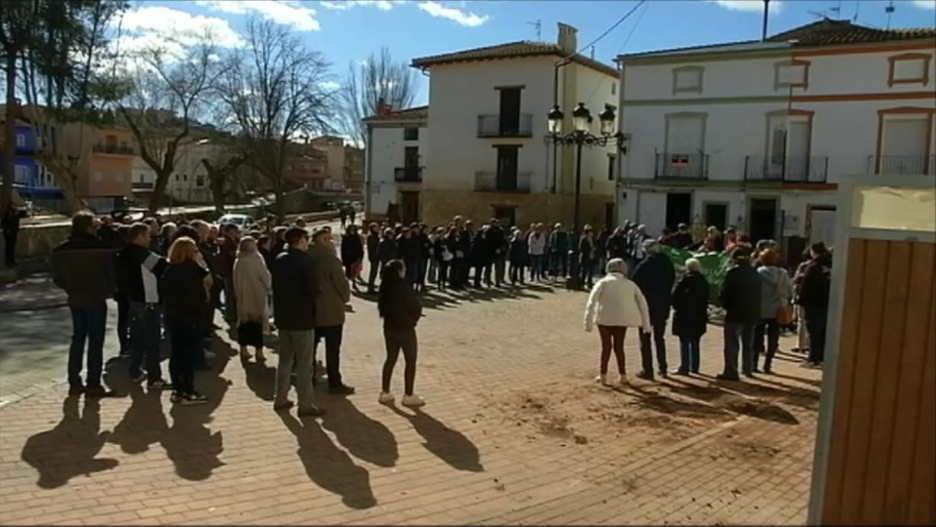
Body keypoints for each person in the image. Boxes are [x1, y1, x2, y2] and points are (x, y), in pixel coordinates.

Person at [50, 211, 117, 397]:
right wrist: (109, 290)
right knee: (95, 341)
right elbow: (112, 269)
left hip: (75, 297)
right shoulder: (99, 248)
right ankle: (93, 383)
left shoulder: (61, 250)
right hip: (95, 297)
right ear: (89, 227)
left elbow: (57, 277)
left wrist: (70, 288)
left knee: (78, 338)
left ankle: (74, 381)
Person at [272, 227, 325, 417]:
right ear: (299, 240)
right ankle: (305, 404)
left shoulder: (279, 259)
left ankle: (280, 397)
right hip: (302, 317)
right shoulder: (305, 261)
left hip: (283, 317)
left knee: (285, 361)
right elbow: (311, 290)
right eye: (305, 238)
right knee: (304, 364)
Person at [115, 223, 169, 389]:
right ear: (139, 237)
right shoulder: (142, 254)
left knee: (137, 339)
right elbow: (163, 267)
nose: (149, 239)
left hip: (133, 301)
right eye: (147, 236)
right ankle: (154, 378)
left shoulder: (121, 254)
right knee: (153, 341)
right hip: (148, 301)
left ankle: (135, 371)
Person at [584, 258, 651, 386]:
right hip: (622, 319)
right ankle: (623, 375)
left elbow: (591, 302)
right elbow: (643, 304)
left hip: (604, 319)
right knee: (619, 347)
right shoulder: (630, 284)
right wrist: (646, 324)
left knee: (606, 347)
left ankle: (603, 375)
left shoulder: (602, 283)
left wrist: (588, 323)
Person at [160, 236, 210, 405]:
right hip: (189, 317)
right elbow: (198, 295)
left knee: (177, 354)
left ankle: (177, 389)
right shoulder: (190, 271)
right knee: (188, 355)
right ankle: (187, 390)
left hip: (173, 316)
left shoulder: (170, 270)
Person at [309, 228, 355, 395]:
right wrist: (345, 297)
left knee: (310, 348)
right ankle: (334, 382)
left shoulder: (306, 256)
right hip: (330, 310)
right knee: (332, 348)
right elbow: (340, 283)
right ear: (322, 241)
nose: (331, 242)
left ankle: (309, 377)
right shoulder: (330, 259)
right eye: (328, 239)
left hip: (311, 310)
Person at [377, 260, 425, 407]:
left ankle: (385, 392)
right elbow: (415, 306)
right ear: (399, 271)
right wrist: (414, 320)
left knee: (390, 358)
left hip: (389, 328)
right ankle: (408, 394)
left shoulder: (385, 287)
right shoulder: (403, 287)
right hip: (405, 328)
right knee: (410, 361)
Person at [632, 240, 676, 379]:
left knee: (645, 338)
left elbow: (635, 283)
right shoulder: (668, 262)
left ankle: (648, 369)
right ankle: (663, 367)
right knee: (659, 338)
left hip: (647, 306)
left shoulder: (645, 265)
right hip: (663, 305)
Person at [717, 246, 762, 381]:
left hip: (735, 312)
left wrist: (723, 304)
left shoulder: (732, 273)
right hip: (751, 312)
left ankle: (731, 370)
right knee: (748, 343)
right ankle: (748, 369)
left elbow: (725, 293)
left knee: (732, 342)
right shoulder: (755, 273)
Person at [753, 249, 793, 374]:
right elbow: (790, 291)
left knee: (757, 337)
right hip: (778, 309)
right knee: (773, 338)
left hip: (760, 309)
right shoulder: (783, 274)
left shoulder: (758, 273)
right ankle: (768, 364)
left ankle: (754, 364)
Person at [233, 236, 272, 362]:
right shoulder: (256, 259)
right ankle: (259, 351)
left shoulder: (238, 260)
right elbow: (264, 276)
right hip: (257, 294)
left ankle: (243, 349)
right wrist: (268, 286)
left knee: (244, 323)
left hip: (243, 295)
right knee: (257, 324)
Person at [796, 242, 832, 368]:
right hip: (828, 303)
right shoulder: (832, 265)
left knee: (813, 332)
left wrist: (800, 300)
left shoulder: (813, 267)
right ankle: (822, 358)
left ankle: (813, 359)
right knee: (823, 332)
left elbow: (805, 286)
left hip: (813, 303)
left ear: (813, 251)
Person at [671, 258, 709, 375]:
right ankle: (695, 367)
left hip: (684, 315)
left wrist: (678, 307)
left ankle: (684, 366)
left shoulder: (683, 281)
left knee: (684, 342)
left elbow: (674, 296)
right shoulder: (704, 282)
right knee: (695, 342)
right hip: (699, 315)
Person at [219, 224, 240, 323]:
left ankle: (231, 312)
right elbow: (232, 254)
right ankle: (230, 314)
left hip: (230, 271)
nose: (234, 233)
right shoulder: (228, 242)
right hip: (228, 271)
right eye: (231, 231)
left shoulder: (232, 241)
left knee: (231, 293)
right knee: (230, 293)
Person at [341, 224, 365, 292]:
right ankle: (347, 284)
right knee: (349, 273)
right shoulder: (346, 238)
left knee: (355, 271)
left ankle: (354, 283)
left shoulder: (356, 238)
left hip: (356, 257)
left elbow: (360, 247)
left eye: (354, 230)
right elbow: (343, 249)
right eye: (351, 230)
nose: (352, 231)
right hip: (349, 258)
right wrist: (344, 259)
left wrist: (361, 256)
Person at [365, 222, 381, 294]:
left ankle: (371, 287)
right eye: (376, 227)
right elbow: (372, 248)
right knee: (373, 272)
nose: (378, 228)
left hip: (376, 256)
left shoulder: (376, 236)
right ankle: (370, 288)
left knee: (374, 272)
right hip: (374, 257)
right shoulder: (371, 237)